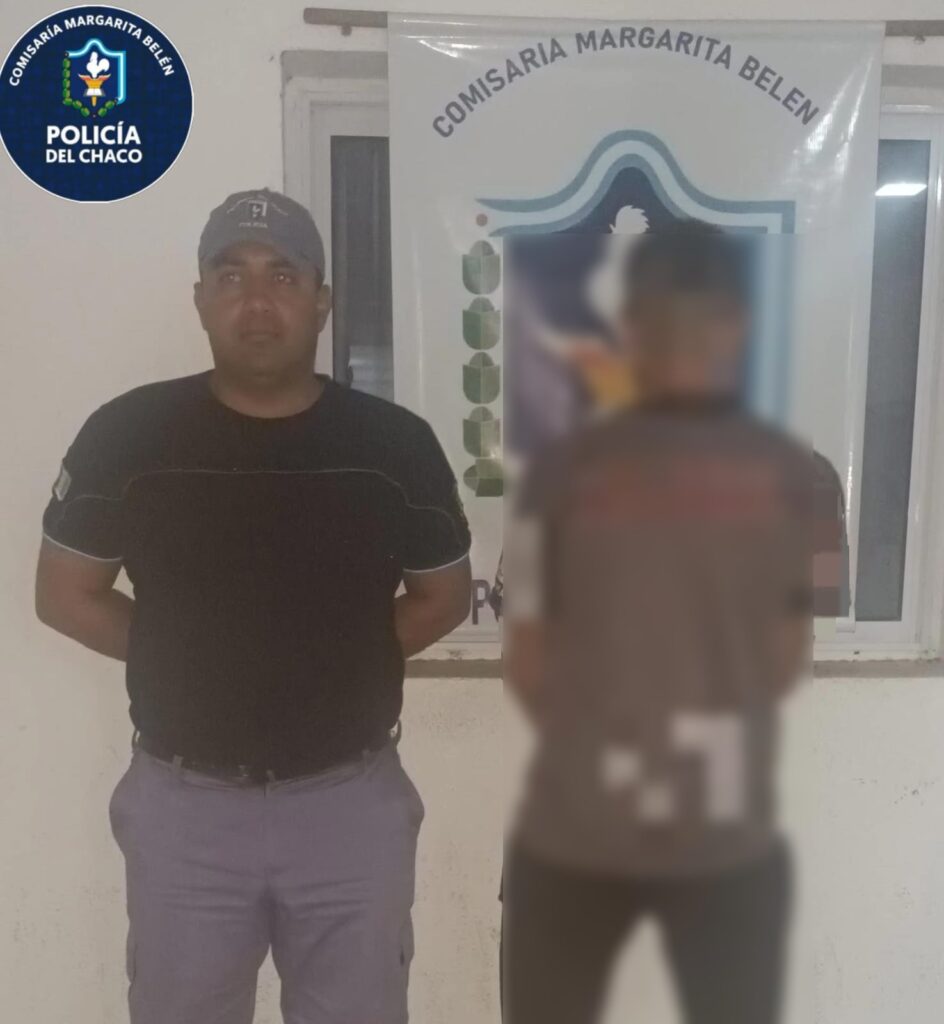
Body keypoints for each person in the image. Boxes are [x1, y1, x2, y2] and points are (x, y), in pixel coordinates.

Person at [35, 188, 472, 1024]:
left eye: (283, 276)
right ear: (200, 298)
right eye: (231, 276)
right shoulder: (129, 435)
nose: (258, 301)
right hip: (185, 816)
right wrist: (189, 653)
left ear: (322, 301)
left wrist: (335, 658)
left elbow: (443, 598)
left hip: (350, 811)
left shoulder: (393, 446)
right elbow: (65, 595)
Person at [501, 220, 847, 1024]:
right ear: (739, 324)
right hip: (720, 826)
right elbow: (784, 659)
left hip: (578, 821)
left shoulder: (558, 476)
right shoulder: (802, 481)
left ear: (630, 330)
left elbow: (528, 660)